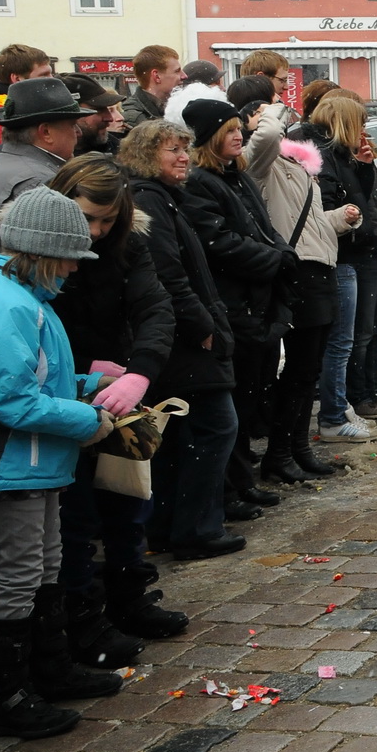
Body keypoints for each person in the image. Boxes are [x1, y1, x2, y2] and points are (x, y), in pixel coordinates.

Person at [47, 154, 190, 663]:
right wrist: (83, 367)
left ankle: (130, 598)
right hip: (59, 391)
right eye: (88, 218)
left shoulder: (127, 245)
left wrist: (139, 372)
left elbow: (154, 307)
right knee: (76, 514)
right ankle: (82, 619)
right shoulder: (34, 245)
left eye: (108, 220)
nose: (98, 231)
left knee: (128, 499)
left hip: (116, 391)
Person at [0, 187, 117, 738]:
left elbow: (38, 381)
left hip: (35, 464)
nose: (73, 269)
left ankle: (47, 669)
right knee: (17, 574)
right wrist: (89, 419)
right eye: (69, 256)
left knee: (43, 565)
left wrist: (90, 385)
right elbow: (11, 398)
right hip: (14, 465)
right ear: (40, 251)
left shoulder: (25, 299)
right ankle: (5, 695)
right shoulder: (11, 304)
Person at [173, 100, 294, 559]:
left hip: (257, 300)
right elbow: (219, 243)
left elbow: (261, 228)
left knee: (250, 399)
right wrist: (274, 259)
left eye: (239, 128)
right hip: (235, 301)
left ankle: (242, 482)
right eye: (229, 130)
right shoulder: (202, 183)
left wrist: (278, 252)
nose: (239, 136)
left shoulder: (236, 175)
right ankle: (228, 490)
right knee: (234, 403)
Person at [121, 120, 245, 534]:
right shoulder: (149, 199)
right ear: (144, 156)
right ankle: (197, 528)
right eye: (171, 150)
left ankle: (177, 524)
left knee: (184, 433)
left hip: (179, 333)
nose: (182, 157)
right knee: (213, 426)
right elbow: (168, 275)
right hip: (181, 338)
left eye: (184, 148)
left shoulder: (162, 197)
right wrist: (202, 323)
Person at [239, 97, 357, 480]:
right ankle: (279, 452)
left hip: (320, 266)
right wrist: (269, 113)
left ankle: (296, 447)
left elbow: (307, 223)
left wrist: (340, 219)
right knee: (298, 369)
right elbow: (268, 134)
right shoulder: (261, 161)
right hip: (297, 270)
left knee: (309, 369)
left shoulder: (297, 163)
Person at [289, 94, 377, 438]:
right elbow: (337, 208)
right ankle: (337, 410)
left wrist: (364, 168)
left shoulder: (339, 155)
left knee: (351, 337)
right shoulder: (321, 155)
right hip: (342, 255)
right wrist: (359, 225)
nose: (364, 131)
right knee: (342, 341)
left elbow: (364, 198)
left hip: (352, 250)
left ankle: (344, 405)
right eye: (360, 123)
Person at [0, 78, 88, 250]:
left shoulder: (4, 162)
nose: (78, 132)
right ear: (46, 132)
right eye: (72, 125)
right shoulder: (41, 183)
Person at [60, 74, 126, 156]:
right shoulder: (49, 163)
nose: (109, 118)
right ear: (70, 114)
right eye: (98, 110)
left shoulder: (122, 154)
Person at [120, 46, 183, 130]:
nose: (184, 76)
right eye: (177, 71)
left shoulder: (173, 108)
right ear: (156, 76)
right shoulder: (134, 117)